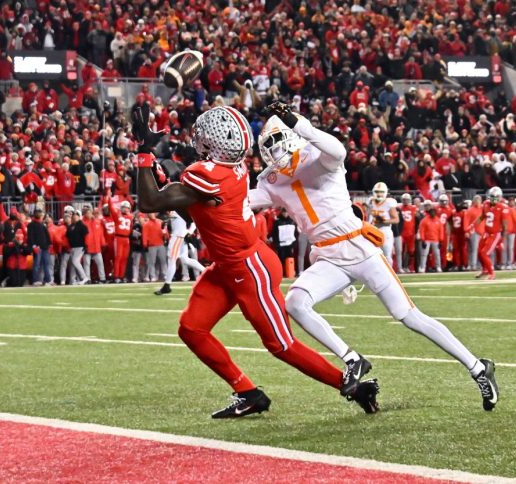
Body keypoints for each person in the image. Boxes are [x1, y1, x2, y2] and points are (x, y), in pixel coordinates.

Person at [249, 103, 498, 411]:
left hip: (359, 247)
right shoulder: (272, 180)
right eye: (268, 148)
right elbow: (243, 201)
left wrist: (299, 123)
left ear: (292, 134)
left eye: (277, 142)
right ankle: (352, 359)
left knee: (408, 316)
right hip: (328, 257)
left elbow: (338, 151)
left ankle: (477, 367)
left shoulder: (317, 155)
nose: (274, 154)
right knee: (296, 303)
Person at [133, 104, 370, 418]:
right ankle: (247, 392)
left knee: (280, 344)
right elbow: (190, 205)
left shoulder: (204, 176)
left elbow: (151, 201)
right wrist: (158, 162)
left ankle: (351, 386)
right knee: (192, 328)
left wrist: (144, 152)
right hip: (227, 266)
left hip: (250, 267)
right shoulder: (229, 169)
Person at [155, 210, 205, 295]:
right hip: (180, 236)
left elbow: (194, 220)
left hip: (178, 236)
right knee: (185, 259)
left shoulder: (180, 208)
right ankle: (206, 271)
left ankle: (167, 285)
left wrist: (189, 232)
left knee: (172, 260)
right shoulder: (176, 209)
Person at [476, 187, 508, 281]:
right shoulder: (486, 204)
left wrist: (502, 239)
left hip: (495, 234)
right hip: (486, 233)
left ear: (499, 197)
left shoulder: (502, 207)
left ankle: (491, 273)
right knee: (479, 252)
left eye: (495, 197)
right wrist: (474, 224)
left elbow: (505, 225)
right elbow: (482, 216)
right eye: (492, 196)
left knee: (484, 253)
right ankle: (484, 269)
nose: (493, 199)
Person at [367, 182, 398, 267]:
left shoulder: (389, 202)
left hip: (385, 231)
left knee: (387, 255)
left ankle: (389, 277)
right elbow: (368, 217)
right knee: (373, 255)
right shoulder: (370, 201)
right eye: (377, 191)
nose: (379, 194)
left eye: (381, 191)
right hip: (373, 231)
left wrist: (383, 221)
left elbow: (396, 220)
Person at [104, 194, 133, 283]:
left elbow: (131, 228)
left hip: (126, 239)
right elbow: (111, 208)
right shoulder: (117, 215)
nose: (125, 209)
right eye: (124, 207)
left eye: (127, 208)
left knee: (124, 258)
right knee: (118, 257)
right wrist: (109, 198)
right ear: (121, 208)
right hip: (118, 238)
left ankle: (121, 276)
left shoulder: (130, 217)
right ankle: (116, 276)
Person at [27, 209, 52, 285]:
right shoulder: (31, 225)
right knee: (37, 264)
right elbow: (30, 237)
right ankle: (36, 280)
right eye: (40, 214)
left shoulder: (42, 225)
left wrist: (49, 244)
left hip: (45, 247)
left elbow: (47, 235)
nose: (41, 215)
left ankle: (47, 280)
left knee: (46, 264)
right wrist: (33, 246)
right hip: (38, 247)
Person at [82, 208, 107, 283]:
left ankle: (102, 278)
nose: (90, 214)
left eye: (90, 213)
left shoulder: (97, 222)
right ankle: (87, 279)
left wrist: (103, 243)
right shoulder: (83, 223)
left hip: (96, 247)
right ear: (85, 214)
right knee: (87, 264)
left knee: (100, 263)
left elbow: (101, 234)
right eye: (88, 213)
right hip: (87, 247)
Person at [418, 201, 443, 273]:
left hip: (436, 240)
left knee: (437, 254)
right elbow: (421, 230)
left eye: (434, 212)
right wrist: (422, 240)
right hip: (427, 240)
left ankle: (438, 267)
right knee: (424, 254)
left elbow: (441, 231)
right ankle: (422, 267)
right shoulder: (424, 220)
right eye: (431, 212)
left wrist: (441, 240)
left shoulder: (438, 220)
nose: (433, 213)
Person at [65, 210, 89, 285]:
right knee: (73, 263)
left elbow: (86, 236)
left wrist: (86, 245)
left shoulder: (82, 225)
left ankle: (84, 277)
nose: (75, 216)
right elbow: (67, 237)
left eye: (77, 215)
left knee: (75, 261)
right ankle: (73, 279)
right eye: (74, 215)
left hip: (80, 246)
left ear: (79, 216)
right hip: (72, 247)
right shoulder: (71, 226)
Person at [397, 194, 417, 273]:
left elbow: (417, 220)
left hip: (411, 233)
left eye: (407, 199)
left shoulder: (413, 208)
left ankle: (409, 267)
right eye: (404, 199)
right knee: (400, 251)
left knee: (411, 251)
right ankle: (400, 267)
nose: (405, 201)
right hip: (401, 233)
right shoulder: (399, 208)